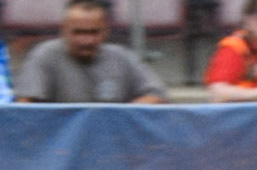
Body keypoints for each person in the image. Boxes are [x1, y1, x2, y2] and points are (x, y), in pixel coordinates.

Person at [13, 0, 168, 103]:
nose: (86, 40)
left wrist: (121, 117)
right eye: (78, 32)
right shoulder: (45, 56)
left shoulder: (121, 58)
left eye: (93, 32)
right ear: (64, 30)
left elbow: (157, 96)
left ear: (105, 31)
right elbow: (26, 107)